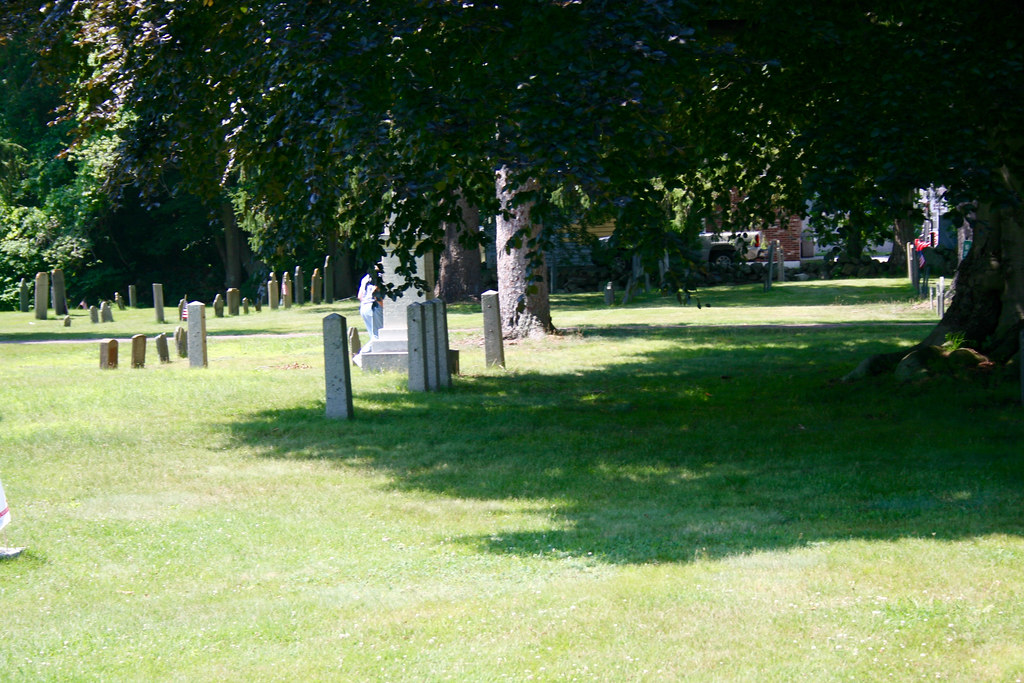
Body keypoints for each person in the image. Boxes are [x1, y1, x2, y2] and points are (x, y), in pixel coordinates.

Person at [357, 270, 384, 341]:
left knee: (373, 336)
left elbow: (360, 296)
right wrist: (382, 306)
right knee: (379, 337)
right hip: (375, 307)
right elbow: (376, 292)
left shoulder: (366, 277)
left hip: (364, 307)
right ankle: (365, 349)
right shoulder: (380, 276)